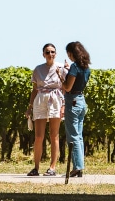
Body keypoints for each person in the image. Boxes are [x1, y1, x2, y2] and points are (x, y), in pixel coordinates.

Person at [24, 43, 66, 176]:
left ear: (56, 53)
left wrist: (64, 105)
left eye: (52, 52)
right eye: (47, 52)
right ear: (43, 54)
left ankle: (52, 167)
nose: (50, 54)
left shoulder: (61, 68)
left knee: (54, 135)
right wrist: (29, 108)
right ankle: (36, 167)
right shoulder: (38, 69)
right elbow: (34, 90)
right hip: (41, 100)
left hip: (55, 100)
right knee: (38, 136)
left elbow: (65, 88)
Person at [62, 41, 91, 178]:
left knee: (72, 136)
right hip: (81, 100)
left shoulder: (74, 67)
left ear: (71, 53)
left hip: (72, 101)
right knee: (79, 135)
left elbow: (67, 87)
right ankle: (79, 166)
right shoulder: (85, 68)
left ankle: (76, 167)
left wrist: (60, 76)